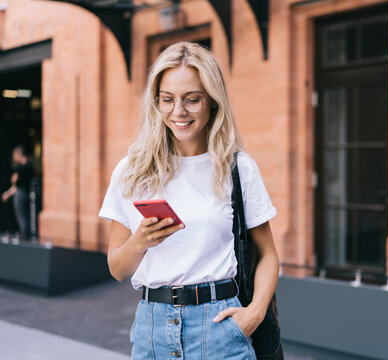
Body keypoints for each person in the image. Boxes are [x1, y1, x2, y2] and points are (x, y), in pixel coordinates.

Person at [98, 42, 279, 360]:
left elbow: (268, 254)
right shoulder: (131, 171)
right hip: (152, 330)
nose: (178, 111)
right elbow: (117, 267)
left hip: (221, 327)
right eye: (167, 100)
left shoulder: (237, 167)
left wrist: (255, 314)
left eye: (192, 99)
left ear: (212, 101)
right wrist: (139, 241)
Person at [2, 145, 35, 239]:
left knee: (22, 218)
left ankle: (24, 238)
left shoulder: (20, 169)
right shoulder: (30, 166)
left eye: (14, 155)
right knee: (25, 218)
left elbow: (15, 184)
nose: (14, 158)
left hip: (20, 194)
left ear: (18, 154)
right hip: (27, 194)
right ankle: (26, 236)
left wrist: (7, 194)